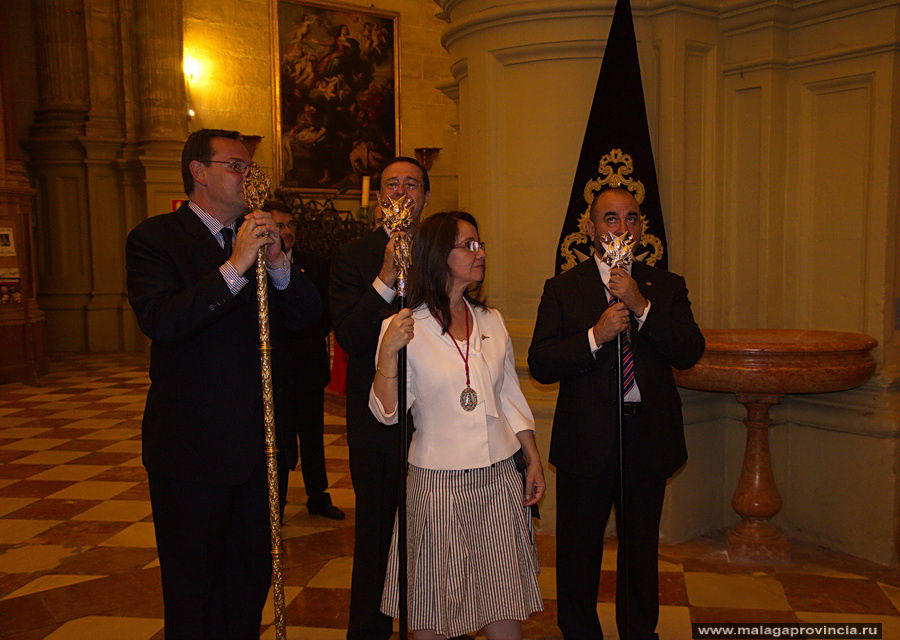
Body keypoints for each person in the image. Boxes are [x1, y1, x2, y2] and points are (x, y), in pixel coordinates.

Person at [126, 128, 321, 639]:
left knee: (249, 579)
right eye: (236, 165)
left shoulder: (265, 239)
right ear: (199, 171)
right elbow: (163, 320)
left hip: (262, 448)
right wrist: (235, 266)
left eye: (250, 168)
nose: (247, 176)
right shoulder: (155, 238)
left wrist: (278, 265)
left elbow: (307, 319)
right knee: (193, 587)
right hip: (192, 449)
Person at [528, 187, 705, 640]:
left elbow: (688, 351)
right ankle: (581, 632)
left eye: (630, 218)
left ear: (641, 228)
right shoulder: (563, 288)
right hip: (585, 443)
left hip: (647, 440)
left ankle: (639, 631)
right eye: (610, 218)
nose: (621, 227)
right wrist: (594, 335)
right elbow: (542, 363)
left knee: (640, 551)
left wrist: (641, 306)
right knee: (578, 551)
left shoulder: (666, 286)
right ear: (590, 229)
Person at [371, 211, 545, 640]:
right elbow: (386, 413)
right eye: (468, 245)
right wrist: (387, 356)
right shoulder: (405, 326)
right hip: (437, 483)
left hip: (499, 476)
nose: (480, 252)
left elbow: (509, 395)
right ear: (438, 255)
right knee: (433, 605)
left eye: (480, 243)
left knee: (504, 598)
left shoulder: (492, 322)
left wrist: (533, 457)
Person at [329, 156, 430, 640]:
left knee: (434, 533)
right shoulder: (353, 255)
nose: (402, 191)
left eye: (412, 184)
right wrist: (387, 276)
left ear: (426, 197)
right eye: (392, 183)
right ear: (378, 197)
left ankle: (432, 623)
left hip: (436, 415)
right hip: (375, 417)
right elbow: (349, 335)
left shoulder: (439, 248)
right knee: (376, 533)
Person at [265, 200, 344, 520]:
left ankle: (318, 495)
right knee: (277, 435)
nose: (287, 231)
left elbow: (325, 311)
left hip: (308, 362)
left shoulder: (316, 263)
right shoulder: (255, 263)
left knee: (312, 433)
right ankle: (276, 500)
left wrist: (306, 332)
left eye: (291, 225)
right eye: (280, 225)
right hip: (273, 367)